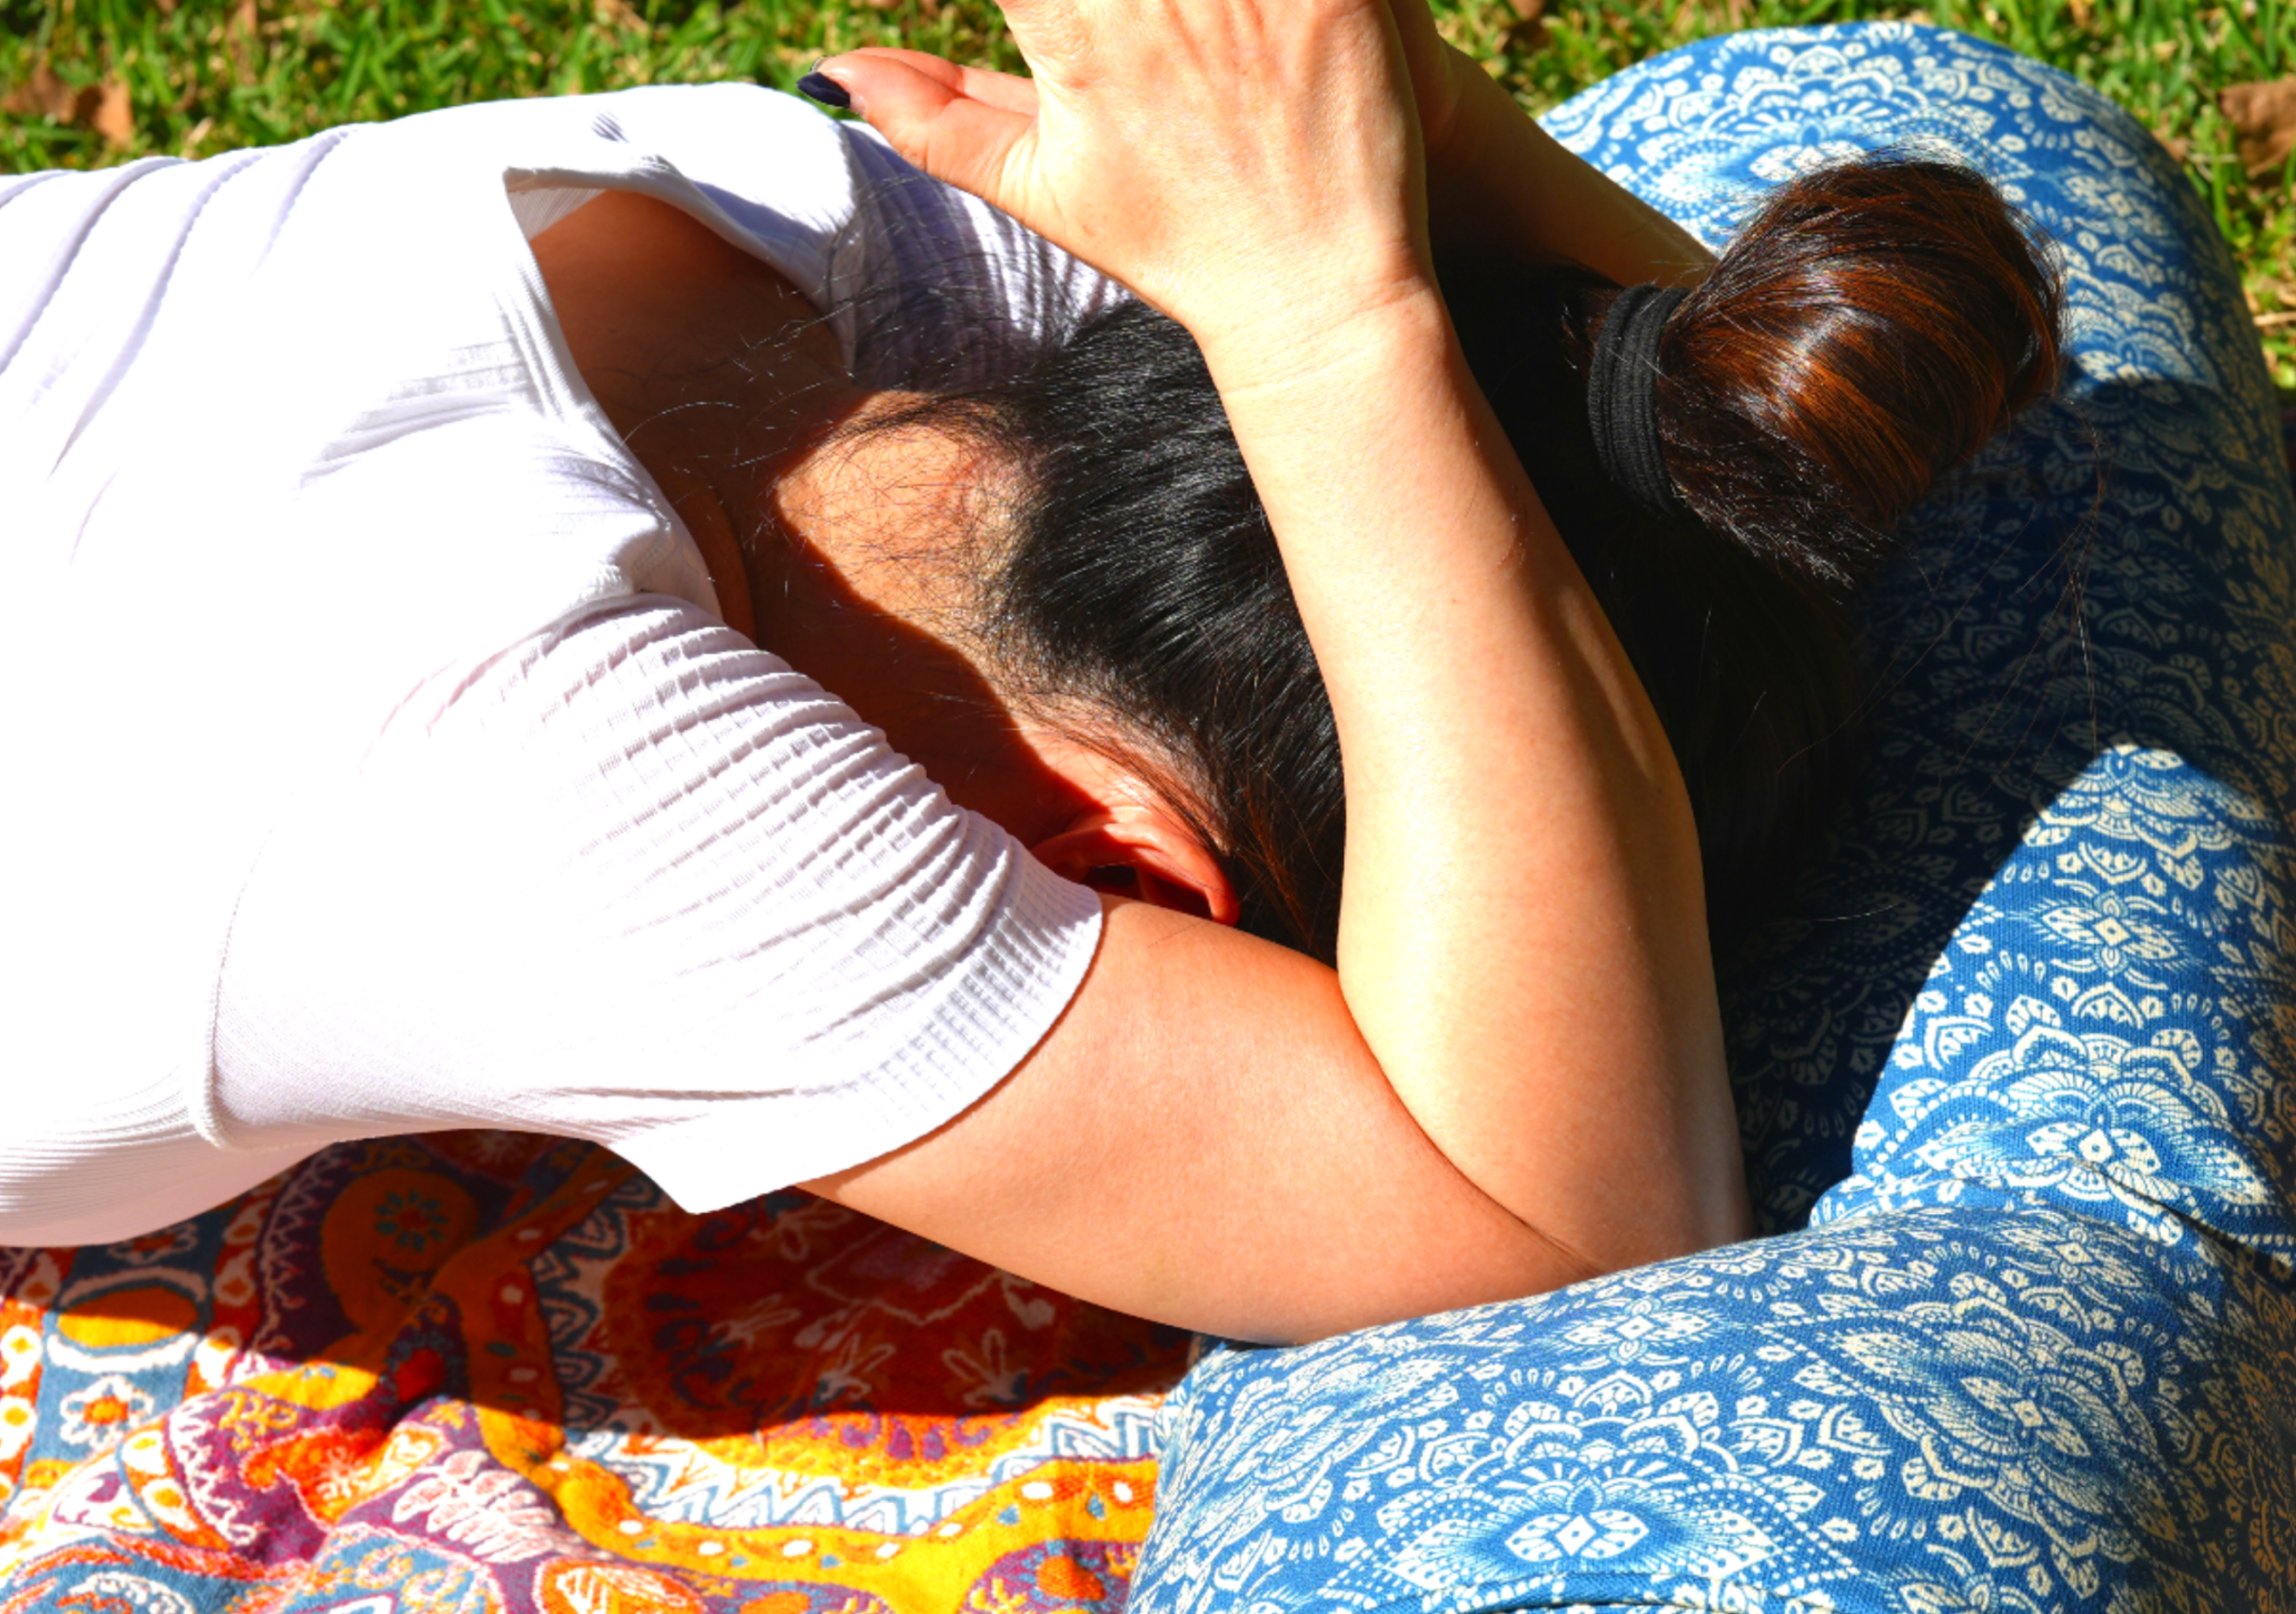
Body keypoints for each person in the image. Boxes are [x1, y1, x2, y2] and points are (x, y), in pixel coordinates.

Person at [0, 0, 2058, 1344]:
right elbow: (1573, 1230)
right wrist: (1333, 324)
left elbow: (1567, 365)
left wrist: (1357, 191)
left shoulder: (806, 217)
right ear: (1135, 863)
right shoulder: (566, 780)